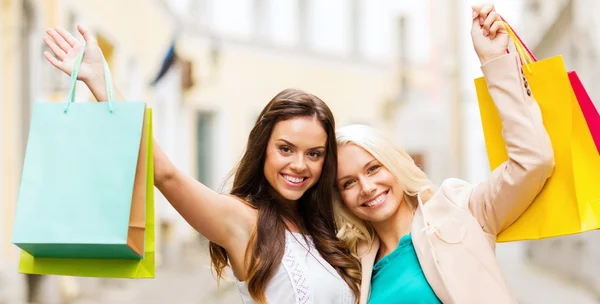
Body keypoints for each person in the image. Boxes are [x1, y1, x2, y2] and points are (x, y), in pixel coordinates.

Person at [42, 26, 360, 304]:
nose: (299, 165)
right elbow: (165, 174)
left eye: (314, 154)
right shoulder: (243, 221)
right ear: (264, 149)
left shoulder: (324, 229)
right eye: (286, 149)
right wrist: (101, 84)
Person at [333, 4, 554, 304]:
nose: (367, 187)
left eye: (373, 168)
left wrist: (494, 62)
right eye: (348, 182)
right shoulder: (353, 264)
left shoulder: (457, 209)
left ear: (395, 164)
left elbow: (533, 161)